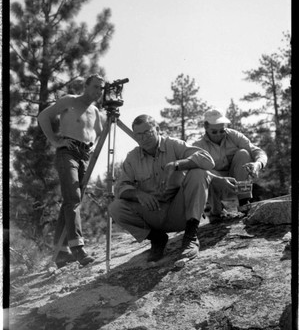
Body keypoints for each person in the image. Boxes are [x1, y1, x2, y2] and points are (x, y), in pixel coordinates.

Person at [109, 114, 217, 262]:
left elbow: (208, 160)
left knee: (198, 173)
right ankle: (157, 239)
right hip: (154, 213)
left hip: (180, 212)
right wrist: (138, 194)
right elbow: (120, 187)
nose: (144, 138)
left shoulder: (173, 145)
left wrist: (177, 164)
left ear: (158, 129)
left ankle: (191, 237)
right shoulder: (132, 157)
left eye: (148, 132)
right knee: (115, 207)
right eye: (139, 135)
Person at [38, 74, 106, 268]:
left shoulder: (95, 111)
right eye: (95, 87)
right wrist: (54, 141)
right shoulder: (69, 100)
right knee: (73, 198)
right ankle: (78, 248)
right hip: (67, 152)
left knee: (71, 199)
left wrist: (92, 150)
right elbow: (43, 116)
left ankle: (61, 252)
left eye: (101, 89)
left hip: (84, 155)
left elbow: (100, 133)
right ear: (85, 86)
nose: (98, 92)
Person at [193, 108, 268, 219]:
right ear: (205, 127)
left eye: (222, 130)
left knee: (243, 153)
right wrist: (216, 179)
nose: (219, 134)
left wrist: (258, 164)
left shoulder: (234, 136)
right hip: (214, 186)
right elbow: (194, 173)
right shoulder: (198, 146)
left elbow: (257, 152)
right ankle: (216, 210)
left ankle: (244, 203)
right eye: (214, 132)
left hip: (236, 182)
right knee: (203, 171)